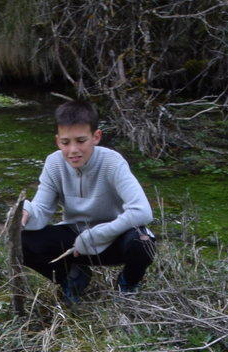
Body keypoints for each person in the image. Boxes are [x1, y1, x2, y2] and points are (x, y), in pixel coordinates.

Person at [21, 100, 155, 302]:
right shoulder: (53, 163)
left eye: (81, 141)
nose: (73, 150)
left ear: (96, 137)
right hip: (75, 243)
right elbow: (41, 211)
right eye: (65, 143)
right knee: (22, 241)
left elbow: (142, 211)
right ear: (57, 141)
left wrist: (96, 235)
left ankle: (127, 284)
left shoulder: (112, 162)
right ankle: (73, 278)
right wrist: (25, 213)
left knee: (143, 242)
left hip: (114, 238)